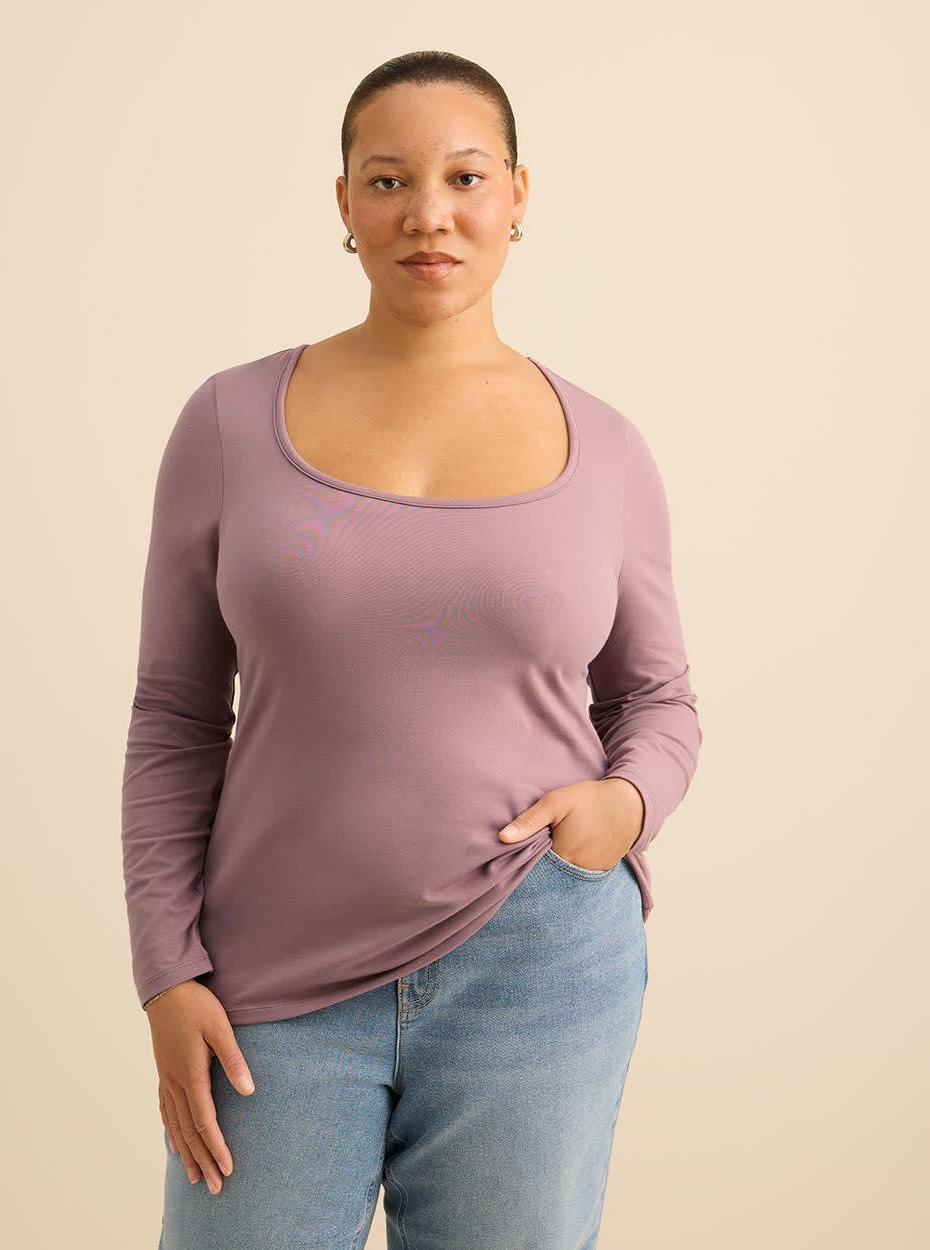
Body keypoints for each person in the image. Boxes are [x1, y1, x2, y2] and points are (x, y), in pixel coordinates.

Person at [121, 49, 703, 1250]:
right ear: (344, 202)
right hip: (271, 972)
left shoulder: (606, 448)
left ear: (518, 196)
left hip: (538, 960)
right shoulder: (228, 421)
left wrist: (625, 804)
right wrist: (165, 968)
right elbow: (175, 713)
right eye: (387, 180)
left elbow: (656, 695)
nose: (427, 213)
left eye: (464, 177)